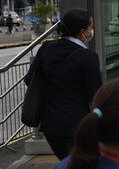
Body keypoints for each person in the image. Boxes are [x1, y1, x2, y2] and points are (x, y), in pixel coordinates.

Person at [25, 9, 103, 160]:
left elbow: (30, 79)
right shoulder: (88, 57)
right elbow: (96, 95)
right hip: (76, 126)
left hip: (49, 126)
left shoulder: (46, 48)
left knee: (69, 166)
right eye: (91, 27)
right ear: (82, 32)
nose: (92, 30)